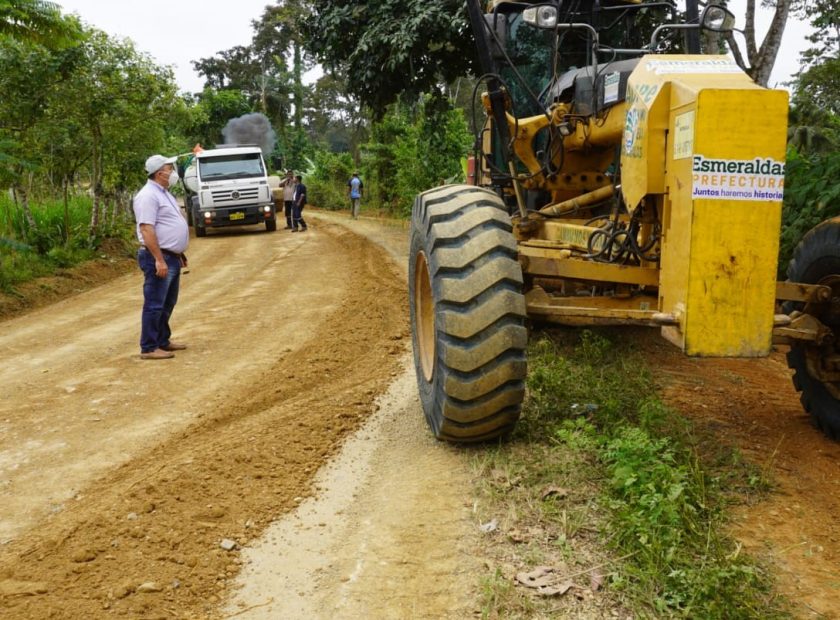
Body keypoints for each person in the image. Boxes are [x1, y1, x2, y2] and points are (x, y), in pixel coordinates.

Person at [132, 154, 190, 360]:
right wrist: (159, 258)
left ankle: (162, 340)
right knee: (155, 302)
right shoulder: (148, 196)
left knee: (168, 302)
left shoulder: (163, 193)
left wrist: (178, 252)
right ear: (159, 173)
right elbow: (147, 229)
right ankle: (149, 346)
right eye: (169, 168)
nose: (172, 172)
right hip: (157, 256)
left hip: (170, 256)